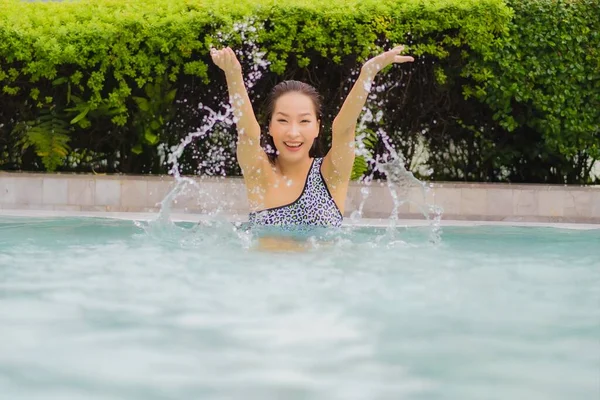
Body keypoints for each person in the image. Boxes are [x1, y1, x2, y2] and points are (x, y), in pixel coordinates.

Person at [210, 45, 414, 230]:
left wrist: (367, 75)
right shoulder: (259, 173)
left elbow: (343, 129)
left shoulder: (331, 174)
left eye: (304, 121)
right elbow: (247, 133)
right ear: (269, 127)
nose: (293, 132)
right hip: (268, 270)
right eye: (282, 120)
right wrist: (233, 74)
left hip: (322, 271)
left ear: (317, 127)